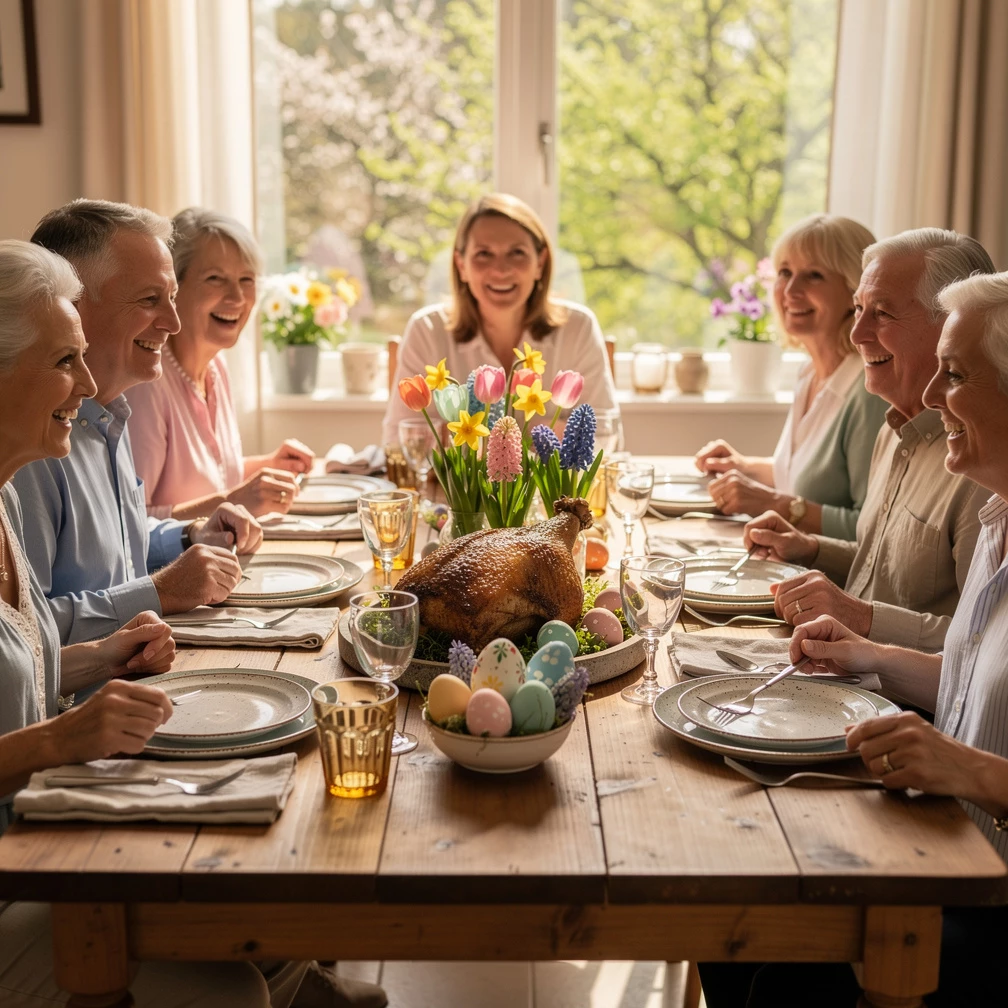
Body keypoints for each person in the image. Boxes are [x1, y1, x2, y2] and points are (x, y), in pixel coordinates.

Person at [699, 270, 1008, 1007]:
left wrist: (974, 773)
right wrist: (870, 655)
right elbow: (968, 681)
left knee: (766, 958)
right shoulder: (1001, 520)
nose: (932, 397)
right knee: (729, 911)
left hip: (988, 890)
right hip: (934, 836)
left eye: (956, 376)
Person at [0, 238, 285, 1007]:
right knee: (235, 986)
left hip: (42, 825)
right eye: (65, 362)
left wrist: (102, 657)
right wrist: (62, 737)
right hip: (22, 866)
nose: (88, 382)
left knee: (270, 835)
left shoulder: (5, 498)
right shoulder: (29, 478)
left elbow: (24, 658)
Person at [11, 199, 264, 646]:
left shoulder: (110, 411)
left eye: (170, 297)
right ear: (72, 306)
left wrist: (190, 534)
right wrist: (160, 592)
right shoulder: (29, 442)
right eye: (151, 299)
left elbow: (118, 547)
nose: (172, 321)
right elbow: (23, 632)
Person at [743, 228, 994, 651]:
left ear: (952, 325)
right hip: (845, 670)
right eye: (858, 309)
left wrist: (860, 616)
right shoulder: (893, 427)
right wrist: (810, 549)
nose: (857, 333)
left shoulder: (983, 467)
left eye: (882, 313)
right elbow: (883, 570)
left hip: (903, 708)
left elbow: (982, 648)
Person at [694, 215, 888, 539]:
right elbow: (807, 481)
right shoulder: (809, 371)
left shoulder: (868, 392)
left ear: (855, 289)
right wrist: (743, 466)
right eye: (785, 273)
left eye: (814, 275)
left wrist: (769, 502)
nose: (791, 290)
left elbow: (868, 528)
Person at [382, 192, 618, 444]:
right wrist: (543, 430)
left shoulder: (578, 327)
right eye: (484, 254)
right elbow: (400, 440)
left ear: (540, 262)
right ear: (461, 265)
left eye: (517, 252)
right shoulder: (427, 329)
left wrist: (470, 431)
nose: (500, 269)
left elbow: (604, 435)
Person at [127, 208, 316, 520]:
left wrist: (268, 465)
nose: (238, 297)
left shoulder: (217, 368)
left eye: (246, 279)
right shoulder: (146, 385)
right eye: (215, 279)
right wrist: (234, 501)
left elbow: (211, 478)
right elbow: (132, 527)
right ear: (173, 287)